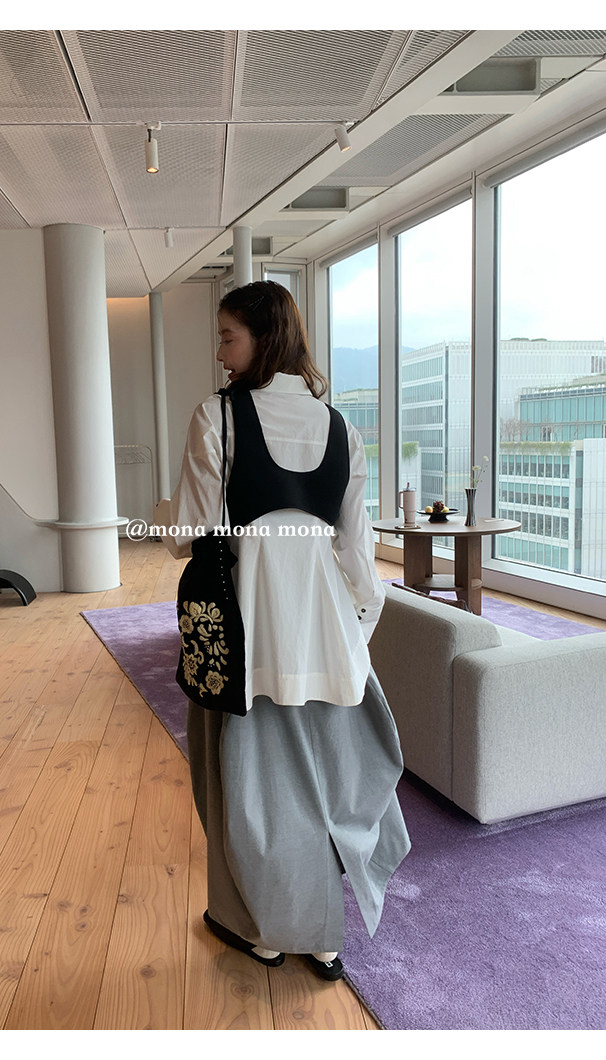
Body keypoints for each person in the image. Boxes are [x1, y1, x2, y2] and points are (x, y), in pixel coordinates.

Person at [158, 280, 410, 981]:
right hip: (326, 634)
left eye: (228, 336)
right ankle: (323, 940)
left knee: (249, 790)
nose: (219, 352)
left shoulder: (217, 416)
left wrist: (166, 516)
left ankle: (266, 931)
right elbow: (358, 554)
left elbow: (189, 533)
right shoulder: (340, 427)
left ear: (264, 339)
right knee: (328, 781)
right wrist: (355, 634)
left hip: (248, 633)